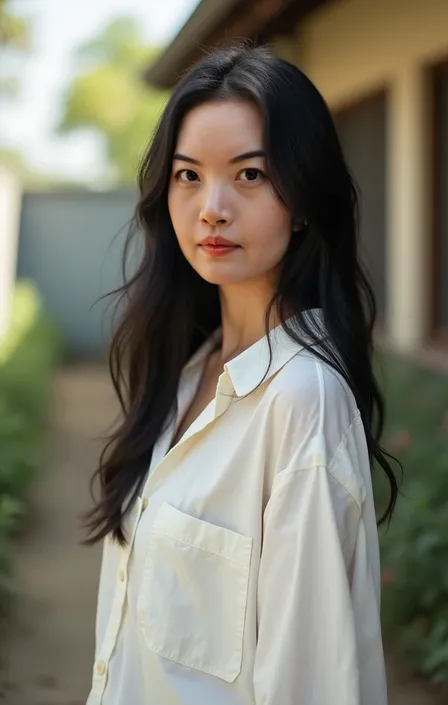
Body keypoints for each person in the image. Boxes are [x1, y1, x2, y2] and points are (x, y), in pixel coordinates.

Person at [83, 42, 399, 705]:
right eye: (188, 175)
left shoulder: (301, 401)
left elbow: (309, 684)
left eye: (249, 175)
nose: (211, 208)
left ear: (304, 197)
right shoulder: (183, 374)